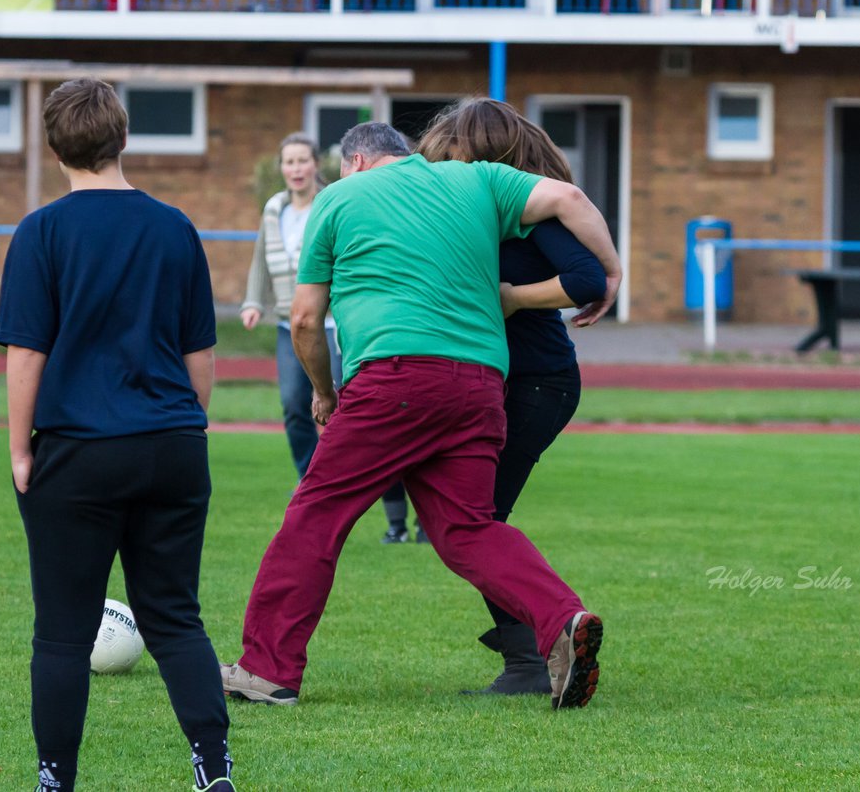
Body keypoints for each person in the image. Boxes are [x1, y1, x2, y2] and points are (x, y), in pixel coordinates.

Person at [221, 121, 622, 711]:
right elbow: (570, 198)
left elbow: (305, 320)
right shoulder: (476, 180)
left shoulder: (337, 197)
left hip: (393, 379)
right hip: (481, 384)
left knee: (316, 515)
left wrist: (325, 394)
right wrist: (610, 273)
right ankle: (563, 619)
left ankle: (266, 669)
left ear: (355, 162)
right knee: (468, 529)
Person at [0, 78, 234, 792]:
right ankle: (213, 770)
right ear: (122, 138)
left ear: (53, 145)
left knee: (63, 632)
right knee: (176, 619)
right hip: (172, 444)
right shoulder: (174, 226)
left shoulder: (42, 232)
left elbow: (26, 355)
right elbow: (201, 357)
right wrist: (187, 425)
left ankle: (55, 779)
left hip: (78, 450)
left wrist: (18, 448)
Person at [417, 97, 612, 696]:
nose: (444, 170)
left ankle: (532, 657)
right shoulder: (482, 209)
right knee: (472, 520)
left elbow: (587, 281)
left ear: (483, 154)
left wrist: (512, 297)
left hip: (536, 383)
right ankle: (528, 654)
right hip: (501, 383)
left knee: (476, 522)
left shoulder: (530, 212)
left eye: (452, 156)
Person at [239, 132, 422, 545]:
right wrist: (255, 301)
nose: (296, 169)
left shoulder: (339, 199)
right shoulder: (275, 210)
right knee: (293, 404)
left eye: (303, 160)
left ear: (315, 165)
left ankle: (374, 503)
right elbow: (260, 259)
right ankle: (311, 484)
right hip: (292, 322)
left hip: (337, 326)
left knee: (353, 414)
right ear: (281, 168)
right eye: (288, 162)